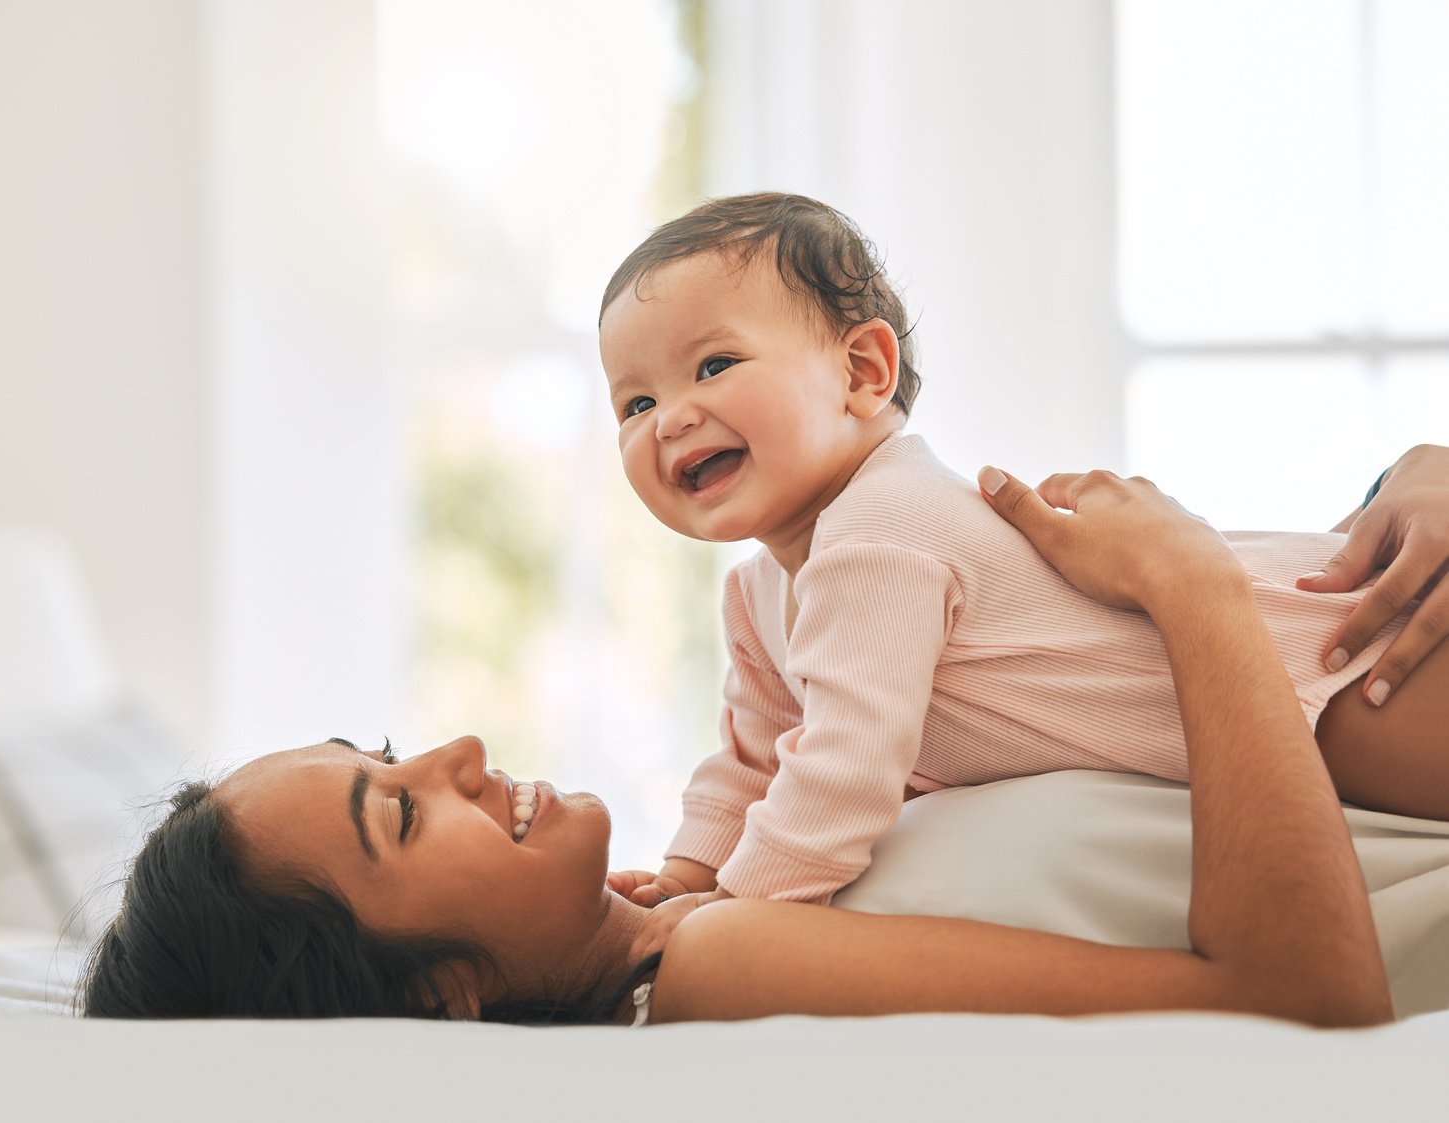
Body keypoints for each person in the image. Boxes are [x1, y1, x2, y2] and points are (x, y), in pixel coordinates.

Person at [81, 467, 1396, 1027]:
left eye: (397, 752)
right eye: (406, 813)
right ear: (441, 997)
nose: (464, 748)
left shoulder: (731, 889)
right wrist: (1191, 590)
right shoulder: (721, 959)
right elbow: (1300, 1000)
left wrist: (1400, 484)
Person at [596, 193, 1449, 958]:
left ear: (863, 373)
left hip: (1341, 662)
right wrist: (686, 871)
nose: (670, 419)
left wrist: (735, 910)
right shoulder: (759, 593)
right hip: (1282, 699)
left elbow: (841, 770)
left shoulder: (881, 529)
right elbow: (753, 759)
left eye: (714, 366)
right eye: (635, 404)